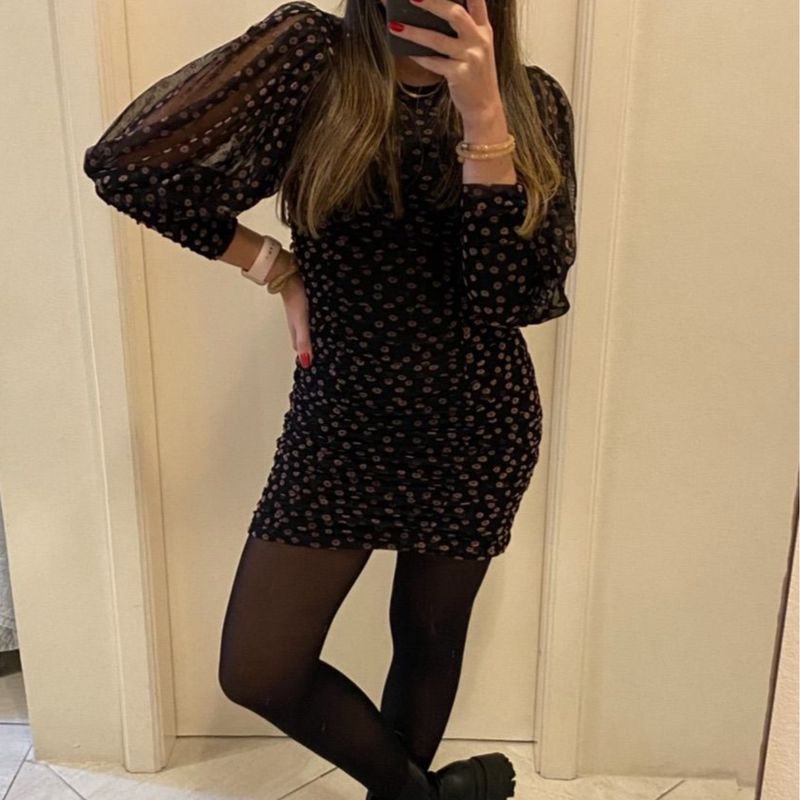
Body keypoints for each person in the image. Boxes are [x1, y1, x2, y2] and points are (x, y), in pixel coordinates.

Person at [82, 1, 578, 797]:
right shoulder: (315, 60)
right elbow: (130, 167)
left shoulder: (534, 101)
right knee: (260, 666)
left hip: (477, 422)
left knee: (427, 638)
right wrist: (271, 266)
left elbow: (504, 301)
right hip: (341, 417)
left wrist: (485, 117)